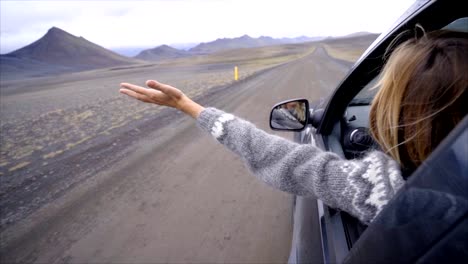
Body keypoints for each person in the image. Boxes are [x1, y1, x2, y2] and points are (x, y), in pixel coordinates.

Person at [119, 30, 467, 224]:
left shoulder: (385, 192)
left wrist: (187, 106)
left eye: (386, 96)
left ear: (408, 119)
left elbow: (271, 153)